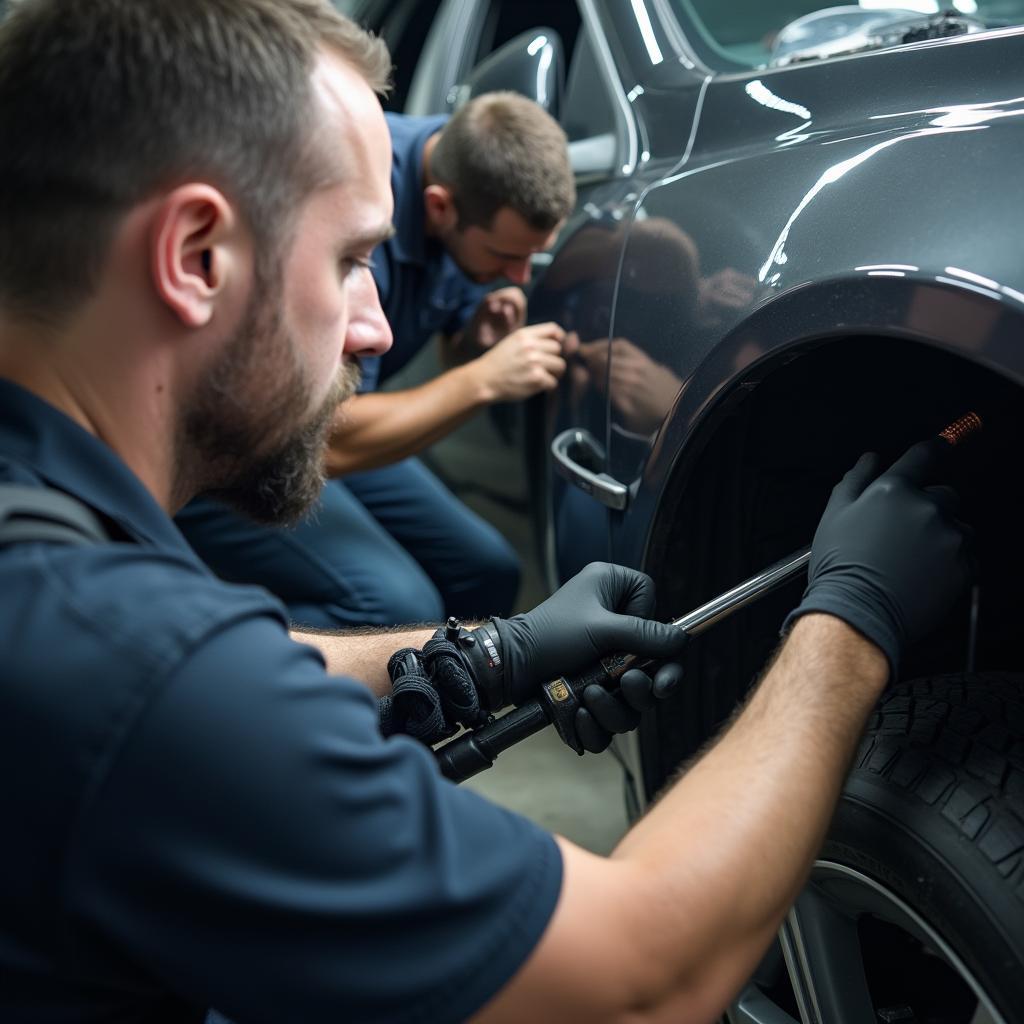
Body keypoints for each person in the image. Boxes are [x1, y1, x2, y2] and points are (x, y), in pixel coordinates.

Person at [0, 2, 973, 1022]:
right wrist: (848, 625)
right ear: (196, 255)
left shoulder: (59, 572)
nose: (377, 325)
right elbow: (645, 977)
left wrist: (482, 655)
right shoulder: (126, 672)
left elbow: (212, 668)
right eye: (346, 262)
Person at [175, 91, 576, 628]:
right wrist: (483, 381)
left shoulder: (470, 181)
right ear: (439, 206)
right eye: (507, 257)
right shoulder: (356, 202)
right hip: (242, 443)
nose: (520, 276)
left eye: (532, 257)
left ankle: (426, 706)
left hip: (327, 431)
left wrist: (473, 338)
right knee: (393, 605)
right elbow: (321, 430)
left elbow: (446, 339)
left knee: (487, 571)